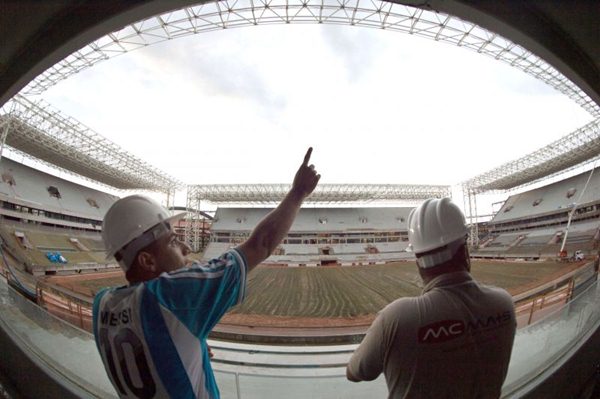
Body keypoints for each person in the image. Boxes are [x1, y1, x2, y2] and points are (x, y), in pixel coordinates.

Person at [92, 148, 320, 398]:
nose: (186, 247)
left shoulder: (101, 304)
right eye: (173, 241)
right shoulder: (170, 296)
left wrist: (190, 343)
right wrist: (299, 192)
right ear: (147, 261)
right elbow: (261, 244)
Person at [346, 197, 516, 398]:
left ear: (417, 260)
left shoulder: (397, 318)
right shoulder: (503, 304)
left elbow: (355, 372)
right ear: (464, 249)